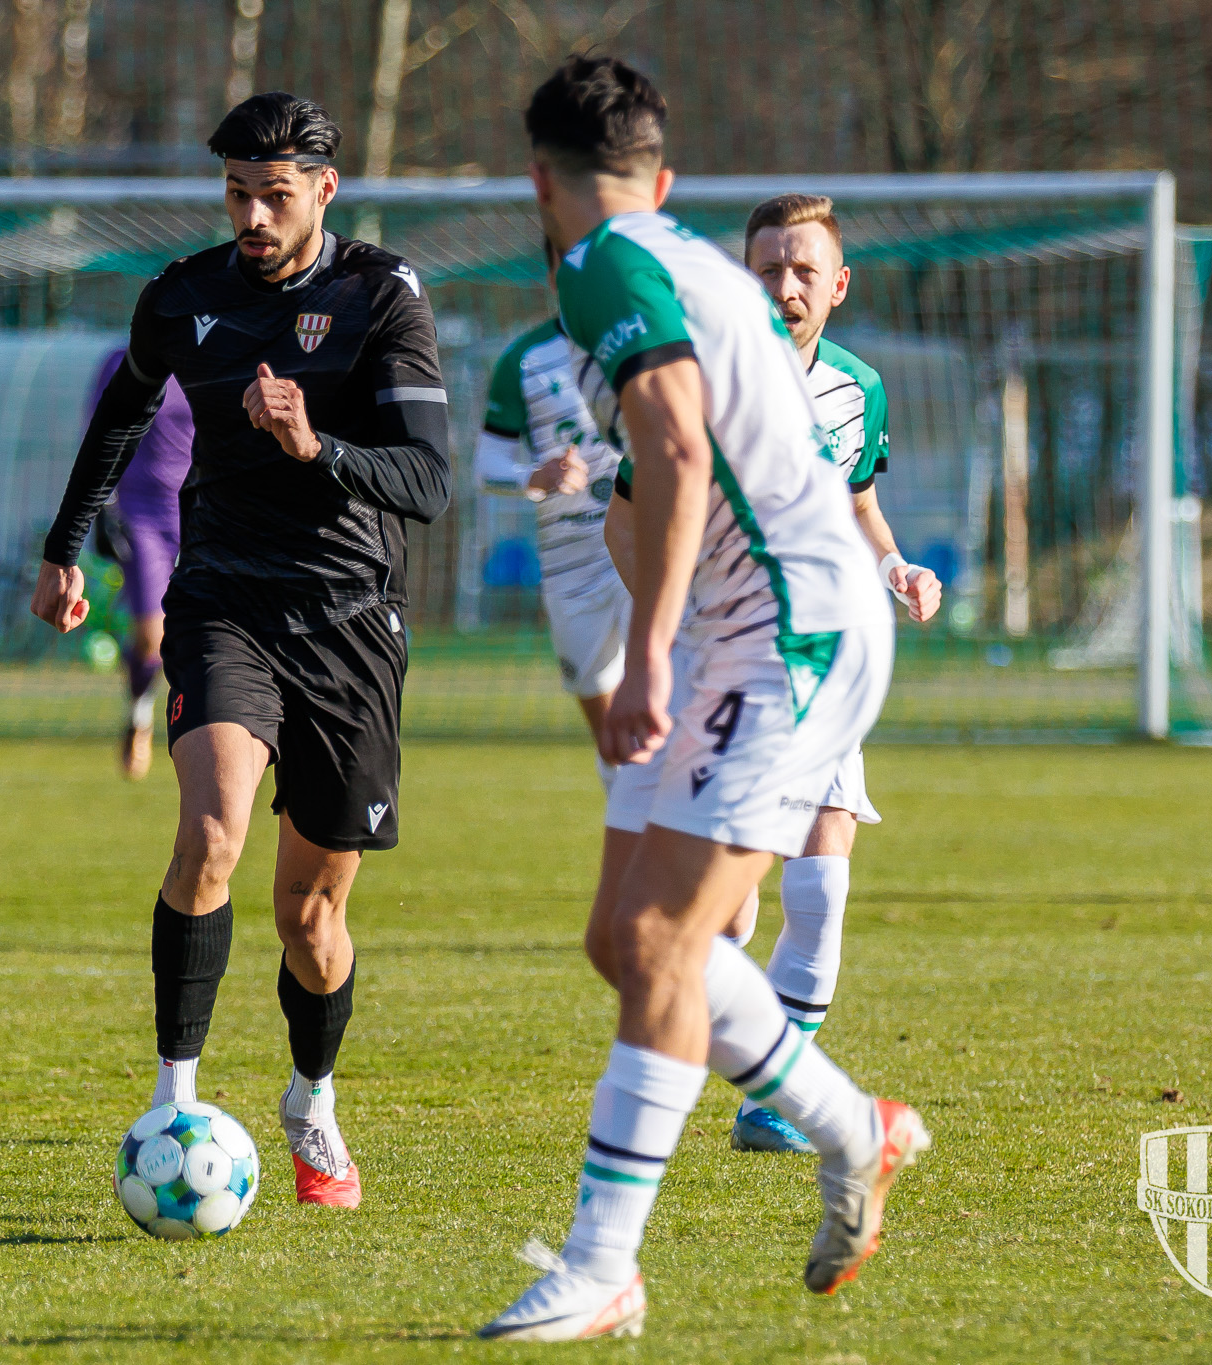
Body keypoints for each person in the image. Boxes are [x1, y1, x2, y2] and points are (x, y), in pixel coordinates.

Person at [478, 56, 928, 1342]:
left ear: (538, 181)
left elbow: (675, 450)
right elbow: (658, 474)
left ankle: (601, 1267)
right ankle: (853, 1128)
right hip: (750, 627)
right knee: (623, 942)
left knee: (666, 944)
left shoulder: (600, 266)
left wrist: (651, 653)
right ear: (661, 178)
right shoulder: (675, 259)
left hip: (787, 633)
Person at [32, 91, 450, 1211]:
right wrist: (66, 548)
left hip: (351, 620)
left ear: (323, 189)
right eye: (235, 194)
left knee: (311, 920)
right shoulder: (183, 295)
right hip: (222, 602)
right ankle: (174, 1104)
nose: (252, 217)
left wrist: (317, 446)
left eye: (274, 195)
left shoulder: (381, 295)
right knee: (210, 836)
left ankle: (312, 1097)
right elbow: (123, 411)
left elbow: (427, 481)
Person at [720, 192, 942, 1153]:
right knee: (725, 913)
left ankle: (773, 1101)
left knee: (822, 881)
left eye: (804, 269)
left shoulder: (860, 388)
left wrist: (897, 569)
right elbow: (628, 519)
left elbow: (859, 505)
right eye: (769, 268)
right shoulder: (700, 385)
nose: (786, 286)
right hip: (723, 660)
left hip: (825, 657)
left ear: (838, 284)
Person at [474, 241, 630, 769]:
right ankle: (626, 811)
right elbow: (485, 467)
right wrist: (536, 476)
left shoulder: (647, 343)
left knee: (666, 707)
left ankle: (670, 814)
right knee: (610, 736)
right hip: (570, 561)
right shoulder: (524, 359)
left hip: (642, 547)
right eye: (570, 267)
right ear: (552, 276)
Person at [84, 346, 194, 780]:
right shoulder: (120, 361)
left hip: (196, 507)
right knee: (152, 635)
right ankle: (139, 713)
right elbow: (97, 432)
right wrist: (103, 504)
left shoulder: (210, 354)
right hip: (140, 512)